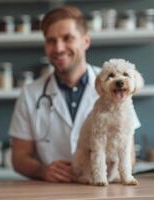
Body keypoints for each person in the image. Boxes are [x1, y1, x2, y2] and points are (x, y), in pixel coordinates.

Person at [9, 5, 140, 182]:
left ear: (85, 41)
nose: (59, 48)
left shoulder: (116, 87)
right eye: (51, 40)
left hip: (102, 188)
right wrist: (41, 170)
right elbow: (18, 159)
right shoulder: (30, 94)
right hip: (51, 191)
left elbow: (128, 153)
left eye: (67, 38)